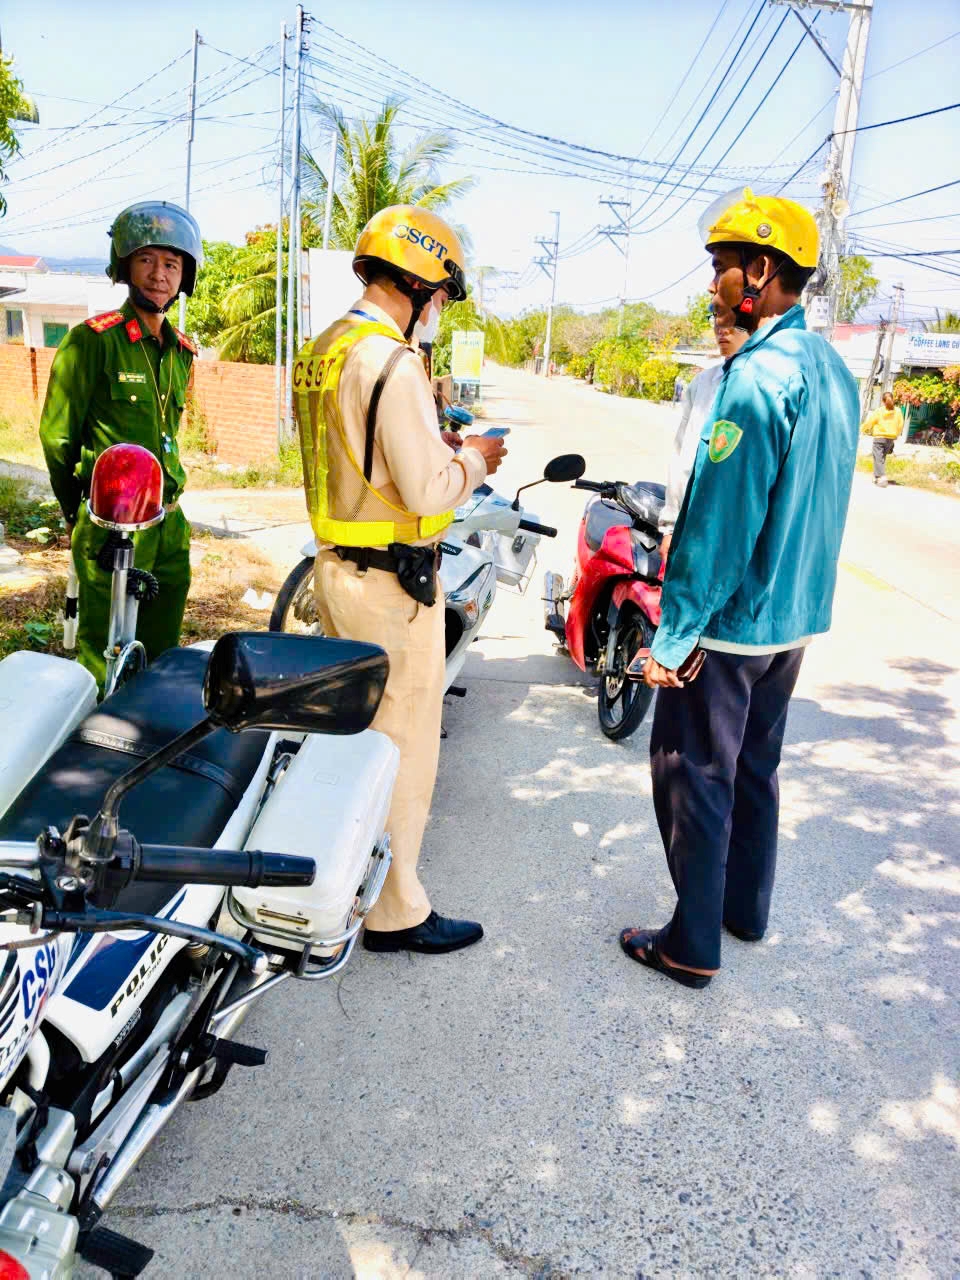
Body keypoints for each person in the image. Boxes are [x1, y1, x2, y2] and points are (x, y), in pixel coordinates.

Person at [620, 188, 860, 989]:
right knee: (755, 767)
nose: (714, 285)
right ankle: (743, 911)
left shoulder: (755, 379)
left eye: (722, 269)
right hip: (791, 622)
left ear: (759, 272)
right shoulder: (828, 368)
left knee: (693, 770)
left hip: (729, 626)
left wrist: (673, 635)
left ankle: (689, 942)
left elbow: (721, 524)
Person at [292, 204, 506, 955]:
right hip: (392, 586)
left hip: (334, 568)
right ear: (418, 283)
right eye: (443, 295)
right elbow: (428, 493)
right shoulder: (393, 359)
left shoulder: (324, 349)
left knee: (354, 736)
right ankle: (395, 909)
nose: (441, 309)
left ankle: (352, 880)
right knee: (404, 745)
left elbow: (365, 459)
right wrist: (475, 457)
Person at [39, 201, 202, 690]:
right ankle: (91, 750)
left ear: (184, 275)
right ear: (125, 265)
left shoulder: (181, 351)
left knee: (161, 653)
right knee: (104, 657)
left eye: (171, 264)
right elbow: (58, 437)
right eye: (147, 260)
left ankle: (146, 742)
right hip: (115, 529)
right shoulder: (93, 341)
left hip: (169, 525)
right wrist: (79, 513)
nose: (159, 275)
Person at [659, 322, 748, 559]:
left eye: (731, 319)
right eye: (716, 317)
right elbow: (682, 460)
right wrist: (669, 528)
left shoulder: (765, 387)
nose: (722, 328)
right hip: (692, 530)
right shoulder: (703, 383)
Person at [861, 391, 903, 487]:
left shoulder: (879, 411)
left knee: (878, 458)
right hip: (891, 438)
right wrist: (896, 434)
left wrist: (861, 429)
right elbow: (900, 425)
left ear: (882, 401)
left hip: (879, 438)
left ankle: (882, 477)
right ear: (893, 399)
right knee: (881, 458)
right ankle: (876, 476)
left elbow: (870, 422)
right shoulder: (898, 411)